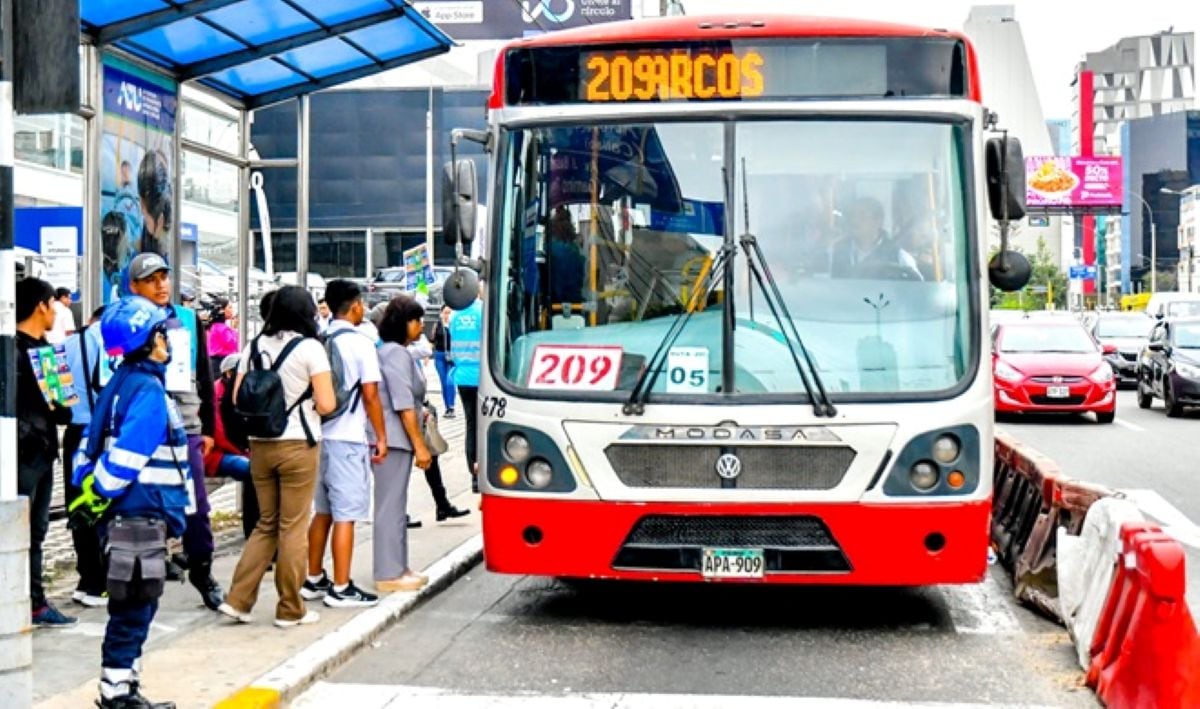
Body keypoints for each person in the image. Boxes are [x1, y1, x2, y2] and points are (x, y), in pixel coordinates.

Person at [70, 296, 190, 709]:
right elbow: (128, 455)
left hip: (128, 515)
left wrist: (94, 494)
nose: (167, 340)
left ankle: (126, 687)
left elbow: (85, 449)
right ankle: (117, 694)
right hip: (138, 514)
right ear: (149, 340)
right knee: (133, 609)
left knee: (135, 604)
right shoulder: (148, 390)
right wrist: (104, 491)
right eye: (162, 332)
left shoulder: (118, 384)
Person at [220, 286, 336, 627]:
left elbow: (238, 397)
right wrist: (312, 405)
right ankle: (290, 607)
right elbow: (328, 403)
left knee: (266, 523)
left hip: (260, 444)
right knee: (293, 526)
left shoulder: (253, 346)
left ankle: (237, 600)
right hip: (298, 445)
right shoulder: (310, 348)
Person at [123, 252, 225, 610]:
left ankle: (202, 569)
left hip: (185, 425)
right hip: (140, 425)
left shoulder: (185, 319)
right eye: (151, 279)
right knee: (139, 505)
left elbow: (204, 374)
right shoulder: (121, 320)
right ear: (134, 286)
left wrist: (209, 426)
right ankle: (138, 574)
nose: (161, 285)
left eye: (164, 277)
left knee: (196, 504)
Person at [302, 280, 386, 608]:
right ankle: (341, 586)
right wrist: (380, 436)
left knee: (321, 512)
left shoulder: (319, 339)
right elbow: (370, 395)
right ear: (354, 307)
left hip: (318, 436)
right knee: (345, 515)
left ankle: (313, 578)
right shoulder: (361, 343)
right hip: (348, 438)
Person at [15, 278, 77, 627]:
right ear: (42, 304)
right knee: (18, 530)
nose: (56, 311)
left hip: (41, 453)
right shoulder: (11, 351)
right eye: (54, 304)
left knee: (37, 532)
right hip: (20, 455)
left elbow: (65, 411)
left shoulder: (47, 352)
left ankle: (35, 601)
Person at [372, 296, 436, 592]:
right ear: (404, 323)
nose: (421, 325)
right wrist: (420, 445)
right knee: (391, 505)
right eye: (417, 319)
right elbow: (403, 404)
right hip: (395, 437)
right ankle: (388, 570)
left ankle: (399, 565)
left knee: (396, 503)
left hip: (392, 434)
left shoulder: (391, 351)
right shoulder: (396, 354)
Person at [62, 306, 113, 607]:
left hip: (73, 432)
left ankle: (86, 579)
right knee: (103, 502)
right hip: (101, 433)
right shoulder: (113, 347)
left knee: (78, 506)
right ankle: (101, 582)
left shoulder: (66, 346)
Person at [205, 354, 257, 539]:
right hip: (215, 454)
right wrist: (243, 452)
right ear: (228, 373)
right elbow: (219, 436)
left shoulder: (238, 392)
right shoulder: (215, 396)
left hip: (232, 449)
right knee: (253, 471)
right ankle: (253, 529)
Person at [829, 197, 921, 279]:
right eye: (852, 215)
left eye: (862, 216)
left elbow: (918, 289)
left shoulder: (899, 257)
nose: (854, 220)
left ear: (878, 220)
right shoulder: (835, 252)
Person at [449, 288, 483, 493]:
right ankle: (483, 471)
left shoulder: (455, 315)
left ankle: (474, 476)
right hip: (483, 376)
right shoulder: (482, 311)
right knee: (484, 426)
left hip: (462, 376)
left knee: (471, 425)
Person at [431, 306, 456, 418]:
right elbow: (432, 340)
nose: (447, 316)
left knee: (449, 380)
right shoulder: (438, 325)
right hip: (440, 355)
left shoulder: (455, 325)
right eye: (445, 313)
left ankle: (451, 406)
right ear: (441, 313)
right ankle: (447, 407)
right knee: (443, 381)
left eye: (449, 313)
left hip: (452, 356)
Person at [207, 298, 239, 378]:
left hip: (217, 362)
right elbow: (233, 344)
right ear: (222, 310)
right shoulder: (221, 328)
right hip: (221, 362)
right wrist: (234, 329)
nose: (232, 310)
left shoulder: (216, 327)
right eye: (229, 307)